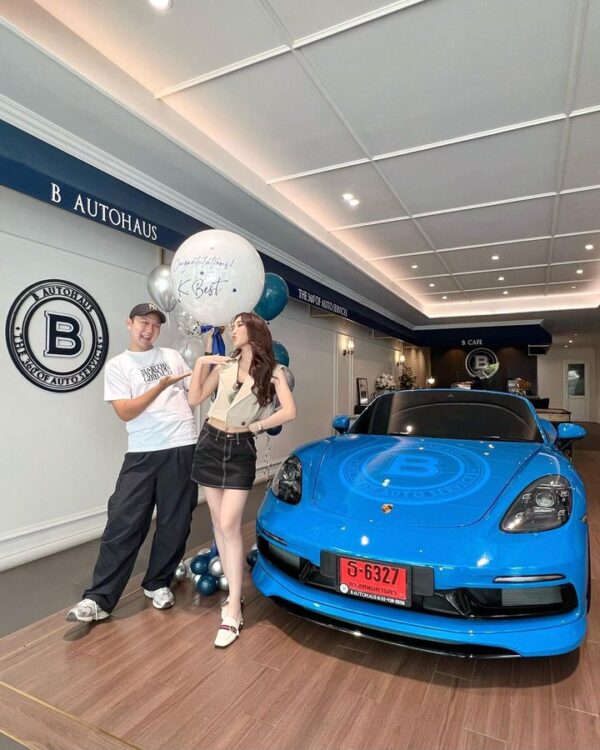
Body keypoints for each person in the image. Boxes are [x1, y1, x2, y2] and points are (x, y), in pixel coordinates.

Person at [66, 303, 199, 623]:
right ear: (129, 323)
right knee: (123, 522)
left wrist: (208, 361)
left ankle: (157, 583)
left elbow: (194, 396)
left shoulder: (172, 356)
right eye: (143, 322)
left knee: (175, 522)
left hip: (182, 445)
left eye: (155, 325)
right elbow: (125, 411)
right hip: (142, 452)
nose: (149, 330)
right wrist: (159, 387)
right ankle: (98, 599)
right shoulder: (118, 366)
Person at [188, 312, 296, 648]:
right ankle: (233, 598)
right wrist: (201, 362)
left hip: (239, 449)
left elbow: (289, 411)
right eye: (232, 326)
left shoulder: (274, 371)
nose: (233, 330)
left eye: (239, 325)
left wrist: (257, 426)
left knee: (228, 523)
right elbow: (195, 398)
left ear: (255, 330)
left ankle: (233, 607)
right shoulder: (224, 365)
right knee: (219, 526)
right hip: (210, 442)